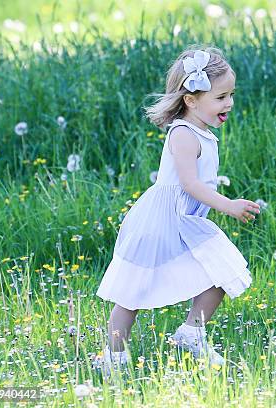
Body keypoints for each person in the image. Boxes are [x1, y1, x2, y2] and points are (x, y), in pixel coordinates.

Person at [93, 45, 261, 377]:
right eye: (220, 97)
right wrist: (227, 205)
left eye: (231, 95)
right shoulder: (183, 134)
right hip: (163, 221)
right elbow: (189, 184)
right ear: (191, 100)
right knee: (133, 291)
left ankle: (192, 333)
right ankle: (114, 357)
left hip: (187, 221)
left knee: (223, 271)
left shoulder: (203, 131)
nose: (229, 103)